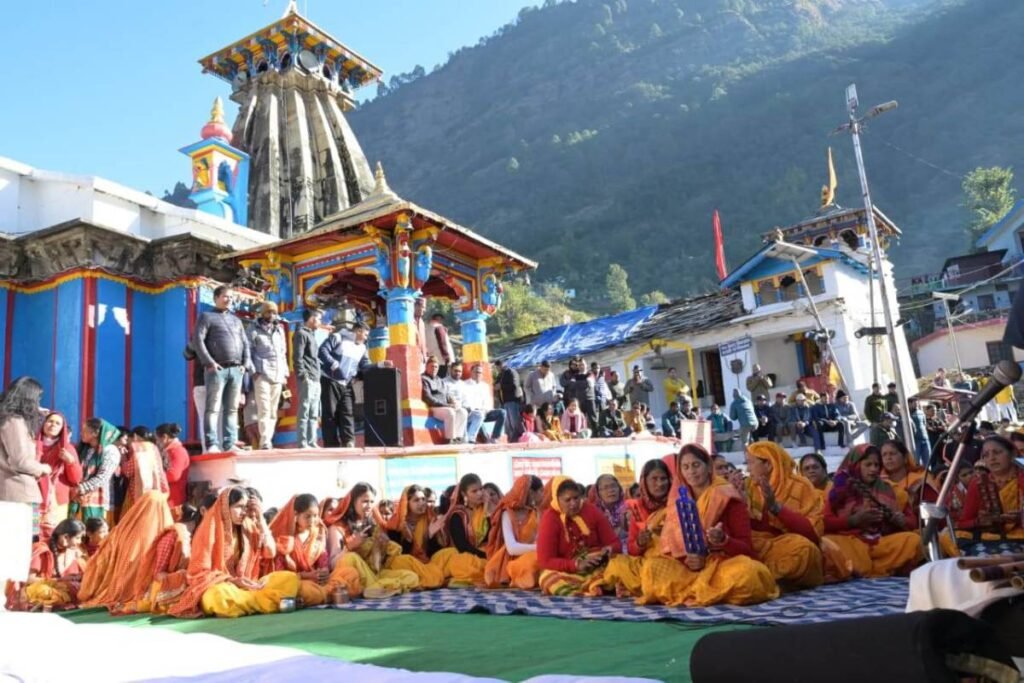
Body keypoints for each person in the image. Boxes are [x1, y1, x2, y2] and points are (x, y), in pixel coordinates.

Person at [635, 444, 779, 606]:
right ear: (680, 472)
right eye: (685, 467)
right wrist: (688, 560)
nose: (691, 471)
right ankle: (704, 590)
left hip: (721, 565)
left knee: (749, 573)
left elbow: (746, 547)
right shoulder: (677, 502)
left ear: (708, 468)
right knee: (651, 568)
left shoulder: (727, 496)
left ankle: (697, 591)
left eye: (696, 465)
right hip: (688, 570)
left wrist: (724, 540)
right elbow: (673, 549)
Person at [167, 487, 300, 618]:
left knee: (289, 579)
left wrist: (261, 520)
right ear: (225, 507)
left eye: (246, 507)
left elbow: (270, 552)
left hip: (248, 585)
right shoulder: (208, 531)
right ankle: (268, 601)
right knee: (217, 597)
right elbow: (198, 573)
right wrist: (233, 581)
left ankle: (254, 602)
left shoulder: (249, 527)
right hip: (221, 586)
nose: (244, 512)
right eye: (239, 507)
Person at [823, 445, 923, 578]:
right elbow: (826, 523)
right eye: (868, 464)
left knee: (913, 540)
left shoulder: (888, 489)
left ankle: (870, 570)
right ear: (856, 464)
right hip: (850, 541)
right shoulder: (838, 490)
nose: (874, 469)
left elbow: (912, 523)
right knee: (828, 543)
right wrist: (853, 521)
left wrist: (899, 521)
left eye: (877, 465)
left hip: (879, 544)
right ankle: (873, 569)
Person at [744, 442, 824, 590]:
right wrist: (738, 501)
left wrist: (776, 508)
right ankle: (762, 579)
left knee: (805, 549)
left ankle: (767, 579)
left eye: (750, 463)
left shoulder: (800, 486)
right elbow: (750, 529)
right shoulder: (749, 486)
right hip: (761, 546)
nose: (747, 469)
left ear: (768, 464)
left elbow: (812, 533)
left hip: (789, 545)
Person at [77, 491, 175, 611]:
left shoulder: (123, 530)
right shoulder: (167, 531)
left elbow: (103, 558)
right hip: (152, 591)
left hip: (120, 587)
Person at [0, 377, 50, 603]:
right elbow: (21, 460)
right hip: (14, 491)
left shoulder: (8, 418)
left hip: (12, 491)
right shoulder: (14, 421)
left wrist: (38, 415)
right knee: (9, 547)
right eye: (37, 398)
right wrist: (43, 468)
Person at [323, 482, 419, 597]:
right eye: (365, 501)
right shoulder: (337, 528)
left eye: (371, 502)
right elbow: (333, 564)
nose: (369, 506)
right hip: (356, 575)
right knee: (351, 557)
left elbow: (377, 566)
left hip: (372, 574)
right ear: (353, 502)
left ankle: (376, 588)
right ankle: (379, 588)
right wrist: (350, 547)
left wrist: (381, 547)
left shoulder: (372, 525)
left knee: (411, 576)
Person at [266, 494, 361, 606]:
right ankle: (328, 595)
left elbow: (323, 560)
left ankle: (321, 595)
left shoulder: (318, 532)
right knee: (303, 590)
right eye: (308, 516)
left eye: (315, 516)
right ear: (295, 515)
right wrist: (306, 576)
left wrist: (324, 572)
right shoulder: (285, 537)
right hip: (298, 582)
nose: (312, 520)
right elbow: (280, 574)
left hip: (319, 582)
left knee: (350, 573)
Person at [536, 476, 620, 596]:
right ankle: (590, 589)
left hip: (598, 567)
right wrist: (576, 564)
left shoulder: (591, 510)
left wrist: (608, 550)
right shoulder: (550, 518)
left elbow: (615, 543)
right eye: (568, 500)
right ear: (557, 500)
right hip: (569, 572)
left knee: (621, 565)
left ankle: (598, 585)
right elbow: (545, 561)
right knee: (547, 578)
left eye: (576, 498)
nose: (573, 504)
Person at [193, 285, 252, 453]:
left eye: (231, 297)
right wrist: (209, 362)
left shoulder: (236, 320)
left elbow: (245, 344)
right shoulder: (206, 316)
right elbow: (198, 341)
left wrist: (245, 364)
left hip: (236, 369)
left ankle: (229, 442)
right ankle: (212, 443)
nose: (229, 299)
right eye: (225, 296)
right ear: (216, 297)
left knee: (232, 409)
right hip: (217, 369)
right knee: (212, 408)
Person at [602, 458, 672, 598]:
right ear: (644, 481)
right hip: (645, 563)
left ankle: (640, 589)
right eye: (654, 479)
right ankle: (645, 588)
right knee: (617, 563)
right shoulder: (637, 509)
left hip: (670, 564)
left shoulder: (676, 503)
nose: (659, 484)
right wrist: (640, 543)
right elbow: (632, 550)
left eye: (663, 478)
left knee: (653, 568)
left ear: (670, 480)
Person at [956, 435, 1024, 540]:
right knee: (946, 537)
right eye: (986, 455)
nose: (992, 458)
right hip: (992, 538)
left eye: (997, 452)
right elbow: (963, 522)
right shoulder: (978, 483)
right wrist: (979, 521)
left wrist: (1021, 518)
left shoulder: (1022, 477)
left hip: (1021, 534)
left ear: (1013, 454)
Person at [484, 475, 543, 589]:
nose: (543, 495)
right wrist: (539, 548)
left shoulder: (535, 512)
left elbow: (538, 539)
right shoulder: (507, 513)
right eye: (540, 491)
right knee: (532, 563)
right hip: (510, 560)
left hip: (533, 553)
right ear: (530, 492)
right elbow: (511, 548)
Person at [385, 485, 449, 589]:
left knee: (449, 552)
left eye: (423, 499)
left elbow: (434, 553)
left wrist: (430, 535)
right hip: (408, 564)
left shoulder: (430, 519)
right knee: (401, 560)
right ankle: (429, 578)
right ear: (406, 503)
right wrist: (408, 541)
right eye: (416, 500)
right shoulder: (396, 524)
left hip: (426, 563)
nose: (422, 503)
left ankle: (427, 578)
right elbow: (394, 555)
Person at [319, 321, 372, 448]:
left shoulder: (362, 348)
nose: (366, 338)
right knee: (330, 414)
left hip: (346, 383)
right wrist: (333, 364)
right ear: (358, 331)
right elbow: (323, 350)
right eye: (365, 335)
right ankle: (331, 444)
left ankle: (348, 441)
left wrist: (380, 366)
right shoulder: (338, 337)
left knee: (347, 412)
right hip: (330, 380)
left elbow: (365, 365)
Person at [21, 518, 88, 610]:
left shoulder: (73, 551)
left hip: (59, 588)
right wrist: (59, 580)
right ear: (65, 537)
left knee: (82, 588)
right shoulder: (42, 549)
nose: (80, 542)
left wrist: (77, 577)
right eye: (77, 538)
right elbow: (29, 579)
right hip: (36, 589)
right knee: (45, 592)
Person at [35, 411, 82, 540]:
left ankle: (51, 559)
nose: (53, 425)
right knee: (33, 534)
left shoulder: (68, 449)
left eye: (57, 423)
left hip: (57, 500)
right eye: (50, 421)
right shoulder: (32, 444)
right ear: (43, 423)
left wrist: (70, 461)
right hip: (33, 496)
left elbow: (76, 479)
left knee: (54, 536)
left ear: (62, 428)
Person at [249, 301, 289, 449]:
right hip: (262, 373)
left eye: (274, 312)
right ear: (263, 313)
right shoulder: (254, 329)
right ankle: (265, 440)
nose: (271, 315)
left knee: (273, 410)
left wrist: (285, 372)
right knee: (264, 408)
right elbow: (248, 351)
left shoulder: (279, 330)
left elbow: (283, 353)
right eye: (268, 312)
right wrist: (254, 372)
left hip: (278, 374)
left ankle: (268, 439)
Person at [442, 473, 491, 587]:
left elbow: (490, 537)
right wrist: (485, 555)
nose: (479, 494)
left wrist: (487, 508)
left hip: (482, 553)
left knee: (495, 563)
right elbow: (462, 546)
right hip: (463, 555)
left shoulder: (485, 510)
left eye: (481, 489)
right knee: (468, 565)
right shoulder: (458, 514)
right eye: (474, 491)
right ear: (464, 494)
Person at [71, 419, 121, 523]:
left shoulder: (110, 450)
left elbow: (103, 477)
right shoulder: (87, 450)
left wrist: (81, 488)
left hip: (98, 502)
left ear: (95, 433)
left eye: (84, 430)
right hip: (81, 499)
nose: (81, 433)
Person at [120, 427, 168, 516]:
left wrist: (123, 458)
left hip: (137, 495)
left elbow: (127, 471)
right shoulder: (153, 448)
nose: (128, 443)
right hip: (155, 493)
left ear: (135, 437)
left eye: (129, 439)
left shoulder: (139, 450)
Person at [293, 308, 323, 449]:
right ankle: (303, 442)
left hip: (316, 378)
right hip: (307, 378)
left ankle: (312, 441)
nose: (320, 322)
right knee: (304, 410)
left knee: (314, 412)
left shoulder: (312, 335)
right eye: (318, 319)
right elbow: (297, 357)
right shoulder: (301, 334)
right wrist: (303, 375)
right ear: (311, 318)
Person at [463, 364, 506, 443]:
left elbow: (488, 402)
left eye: (480, 373)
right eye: (476, 372)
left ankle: (494, 437)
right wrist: (476, 409)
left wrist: (485, 410)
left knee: (502, 412)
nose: (478, 374)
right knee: (479, 415)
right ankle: (483, 439)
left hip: (485, 412)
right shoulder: (464, 385)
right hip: (472, 413)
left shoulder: (485, 386)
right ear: (471, 372)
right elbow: (465, 401)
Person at [155, 423, 189, 516]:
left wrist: (153, 476)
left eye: (157, 439)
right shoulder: (168, 451)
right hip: (166, 500)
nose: (156, 442)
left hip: (174, 501)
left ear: (164, 437)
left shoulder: (178, 451)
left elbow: (173, 476)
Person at [589, 474, 629, 553]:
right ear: (598, 493)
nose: (611, 490)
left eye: (613, 486)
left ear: (619, 488)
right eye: (605, 488)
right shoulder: (593, 513)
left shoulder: (629, 507)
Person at [880, 439, 925, 507]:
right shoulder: (880, 484)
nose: (888, 458)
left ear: (905, 458)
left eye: (892, 453)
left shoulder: (920, 481)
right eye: (884, 455)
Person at [494, 360, 524, 442]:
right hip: (504, 402)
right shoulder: (501, 375)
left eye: (499, 365)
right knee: (507, 425)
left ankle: (520, 439)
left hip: (512, 400)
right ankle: (511, 440)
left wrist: (501, 386)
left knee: (515, 422)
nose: (498, 368)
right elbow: (496, 384)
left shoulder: (511, 372)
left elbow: (514, 385)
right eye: (497, 367)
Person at [426, 313, 456, 378]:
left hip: (430, 360)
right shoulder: (439, 327)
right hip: (442, 360)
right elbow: (442, 343)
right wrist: (447, 357)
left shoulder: (426, 328)